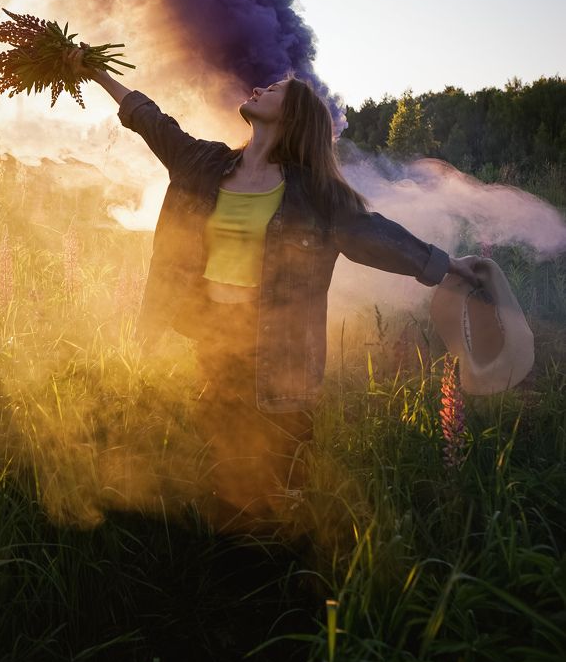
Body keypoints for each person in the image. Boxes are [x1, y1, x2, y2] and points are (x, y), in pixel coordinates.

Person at [64, 45, 484, 529]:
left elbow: (378, 238)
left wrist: (449, 265)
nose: (260, 88)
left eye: (276, 90)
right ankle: (229, 556)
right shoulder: (203, 162)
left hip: (282, 355)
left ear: (292, 117)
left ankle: (286, 560)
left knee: (282, 481)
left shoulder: (317, 194)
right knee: (225, 473)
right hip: (216, 345)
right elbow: (149, 119)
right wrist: (97, 72)